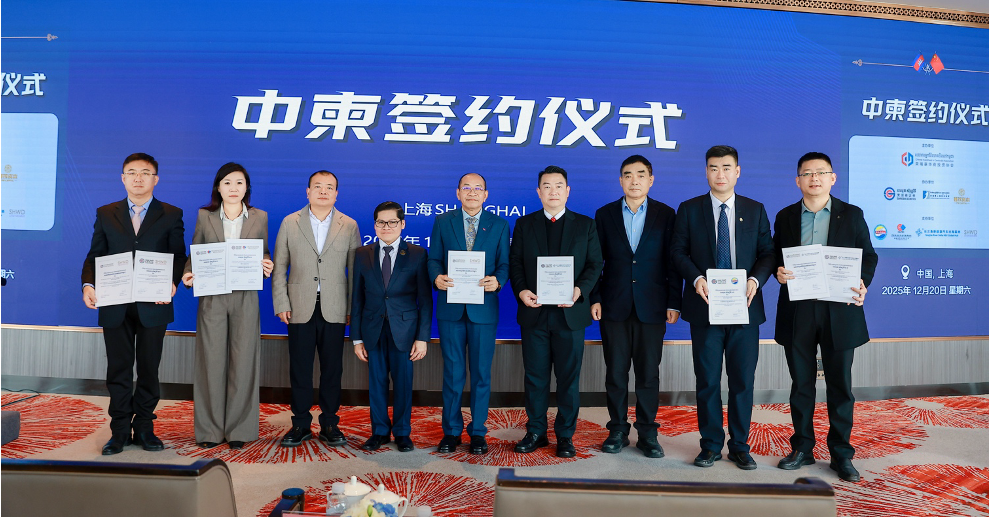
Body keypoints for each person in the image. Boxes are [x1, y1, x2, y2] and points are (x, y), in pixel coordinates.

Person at [773, 152, 878, 483]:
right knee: (801, 385)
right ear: (798, 181)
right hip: (799, 309)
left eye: (821, 172)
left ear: (833, 178)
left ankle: (841, 454)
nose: (814, 178)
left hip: (839, 309)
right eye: (807, 173)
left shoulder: (852, 214)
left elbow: (869, 256)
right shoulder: (786, 216)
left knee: (840, 385)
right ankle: (802, 448)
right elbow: (775, 256)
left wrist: (862, 281)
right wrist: (778, 271)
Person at [670, 145, 774, 470]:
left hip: (744, 309)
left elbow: (767, 253)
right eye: (714, 168)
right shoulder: (690, 209)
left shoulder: (755, 209)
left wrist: (755, 280)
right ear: (706, 172)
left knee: (742, 381)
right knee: (708, 381)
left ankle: (740, 446)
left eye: (727, 167)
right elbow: (677, 251)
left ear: (737, 171)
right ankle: (711, 445)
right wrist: (696, 278)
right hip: (705, 308)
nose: (720, 174)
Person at [81, 152, 186, 455]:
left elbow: (178, 255)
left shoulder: (171, 213)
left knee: (149, 369)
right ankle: (118, 431)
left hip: (154, 303)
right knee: (119, 369)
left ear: (156, 179)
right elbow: (95, 255)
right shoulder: (106, 212)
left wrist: (172, 281)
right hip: (115, 303)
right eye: (132, 172)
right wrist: (88, 284)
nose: (138, 178)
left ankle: (144, 428)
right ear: (123, 178)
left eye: (145, 172)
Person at [509, 165, 604, 459]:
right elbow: (515, 263)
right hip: (535, 313)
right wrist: (521, 291)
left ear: (567, 191)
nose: (553, 191)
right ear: (539, 192)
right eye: (547, 186)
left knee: (568, 379)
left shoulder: (585, 225)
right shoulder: (525, 224)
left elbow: (595, 264)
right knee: (535, 377)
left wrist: (579, 290)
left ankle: (565, 435)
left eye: (558, 186)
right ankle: (536, 431)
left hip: (570, 314)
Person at [591, 155, 681, 458]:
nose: (634, 180)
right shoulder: (604, 214)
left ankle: (647, 432)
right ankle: (617, 429)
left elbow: (672, 262)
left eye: (641, 175)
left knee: (648, 373)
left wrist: (674, 301)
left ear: (651, 180)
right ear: (620, 180)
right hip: (613, 305)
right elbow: (595, 262)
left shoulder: (666, 214)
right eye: (628, 175)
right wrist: (595, 297)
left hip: (652, 305)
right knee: (615, 373)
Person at [181, 163, 274, 450]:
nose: (234, 188)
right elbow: (195, 251)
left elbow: (264, 252)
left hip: (245, 295)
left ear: (247, 188)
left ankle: (239, 429)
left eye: (239, 183)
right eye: (227, 183)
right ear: (218, 187)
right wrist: (188, 273)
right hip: (212, 295)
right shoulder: (205, 215)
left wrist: (266, 265)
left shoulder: (260, 217)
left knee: (244, 360)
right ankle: (209, 429)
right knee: (210, 361)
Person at [271, 170, 360, 447]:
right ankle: (300, 424)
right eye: (318, 186)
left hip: (336, 307)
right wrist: (281, 302)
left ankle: (330, 423)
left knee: (332, 369)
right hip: (299, 306)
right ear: (307, 192)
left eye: (329, 187)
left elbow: (356, 272)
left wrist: (353, 308)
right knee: (300, 368)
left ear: (337, 194)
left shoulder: (349, 225)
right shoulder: (290, 222)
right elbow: (280, 266)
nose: (323, 191)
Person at [428, 173, 510, 455]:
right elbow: (433, 259)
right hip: (451, 308)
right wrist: (436, 277)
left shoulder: (499, 224)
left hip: (483, 310)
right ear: (458, 193)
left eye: (478, 188)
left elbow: (504, 264)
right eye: (467, 187)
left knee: (481, 374)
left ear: (486, 195)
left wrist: (498, 281)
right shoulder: (443, 221)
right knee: (452, 373)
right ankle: (451, 431)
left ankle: (477, 432)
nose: (472, 192)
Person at [350, 201, 432, 452]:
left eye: (392, 222)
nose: (386, 227)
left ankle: (403, 433)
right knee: (376, 383)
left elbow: (425, 300)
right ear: (375, 225)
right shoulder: (362, 254)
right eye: (381, 222)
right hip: (372, 328)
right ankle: (380, 432)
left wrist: (422, 337)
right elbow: (357, 298)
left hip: (405, 330)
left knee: (403, 383)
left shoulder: (417, 254)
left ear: (402, 224)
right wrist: (356, 338)